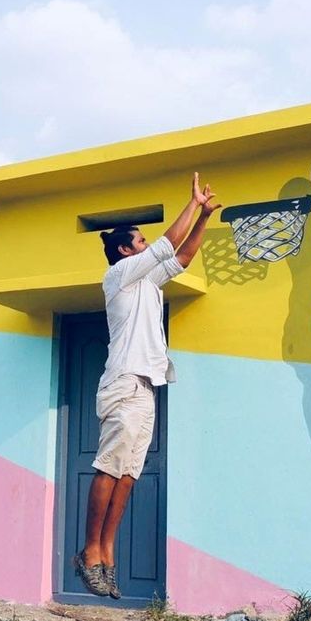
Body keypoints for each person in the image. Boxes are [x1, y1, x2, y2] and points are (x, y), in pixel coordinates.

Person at [74, 173, 221, 598]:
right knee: (108, 464)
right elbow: (167, 245)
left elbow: (183, 257)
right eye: (140, 242)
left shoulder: (148, 285)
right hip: (122, 382)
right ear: (124, 251)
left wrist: (204, 217)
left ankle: (107, 552)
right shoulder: (119, 276)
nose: (147, 246)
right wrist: (191, 203)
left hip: (147, 387)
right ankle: (88, 552)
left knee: (129, 473)